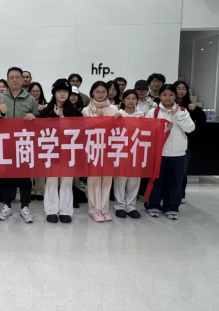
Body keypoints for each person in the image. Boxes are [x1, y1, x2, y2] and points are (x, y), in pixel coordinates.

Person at [0, 67, 39, 223]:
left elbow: (38, 119)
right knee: (7, 177)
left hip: (24, 143)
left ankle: (25, 206)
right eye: (11, 77)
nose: (15, 80)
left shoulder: (30, 99)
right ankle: (7, 205)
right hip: (6, 144)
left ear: (23, 79)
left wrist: (33, 117)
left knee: (25, 177)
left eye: (18, 77)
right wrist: (0, 111)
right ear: (7, 80)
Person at [146, 84, 195, 220]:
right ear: (159, 96)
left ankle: (172, 207)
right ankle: (153, 205)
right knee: (156, 181)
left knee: (175, 181)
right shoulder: (154, 112)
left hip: (178, 153)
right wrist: (165, 128)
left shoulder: (183, 111)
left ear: (175, 96)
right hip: (158, 153)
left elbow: (190, 128)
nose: (168, 98)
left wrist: (177, 115)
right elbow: (149, 131)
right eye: (164, 95)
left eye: (171, 95)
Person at [40, 79, 83, 223]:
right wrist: (53, 115)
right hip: (51, 150)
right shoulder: (46, 110)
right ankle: (51, 211)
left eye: (65, 91)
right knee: (51, 181)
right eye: (59, 91)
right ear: (54, 93)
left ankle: (65, 211)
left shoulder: (75, 112)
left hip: (68, 151)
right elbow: (40, 128)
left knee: (66, 181)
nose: (62, 94)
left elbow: (82, 130)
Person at [82, 81, 120, 222]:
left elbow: (119, 129)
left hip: (109, 147)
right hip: (93, 147)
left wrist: (119, 120)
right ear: (92, 92)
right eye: (97, 92)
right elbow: (85, 129)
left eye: (103, 91)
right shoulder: (86, 110)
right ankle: (94, 209)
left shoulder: (114, 109)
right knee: (94, 179)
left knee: (107, 179)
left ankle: (104, 209)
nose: (100, 94)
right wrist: (96, 117)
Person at [173, 80, 206, 204]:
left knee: (183, 170)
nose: (181, 91)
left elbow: (202, 119)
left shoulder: (190, 105)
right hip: (170, 141)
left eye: (184, 89)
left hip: (187, 142)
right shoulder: (170, 104)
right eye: (178, 88)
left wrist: (195, 109)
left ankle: (181, 194)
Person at [113, 90, 144, 219]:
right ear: (123, 100)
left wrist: (145, 122)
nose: (131, 101)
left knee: (134, 180)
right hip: (121, 150)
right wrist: (114, 120)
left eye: (133, 98)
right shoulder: (118, 114)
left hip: (137, 150)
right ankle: (120, 205)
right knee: (120, 180)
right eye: (128, 98)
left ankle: (131, 206)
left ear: (137, 100)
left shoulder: (142, 115)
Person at [28, 81, 47, 201]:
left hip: (42, 138)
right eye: (33, 91)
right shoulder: (25, 103)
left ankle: (39, 191)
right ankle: (30, 189)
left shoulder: (46, 105)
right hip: (28, 137)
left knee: (40, 165)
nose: (35, 93)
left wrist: (43, 110)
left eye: (37, 91)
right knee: (29, 164)